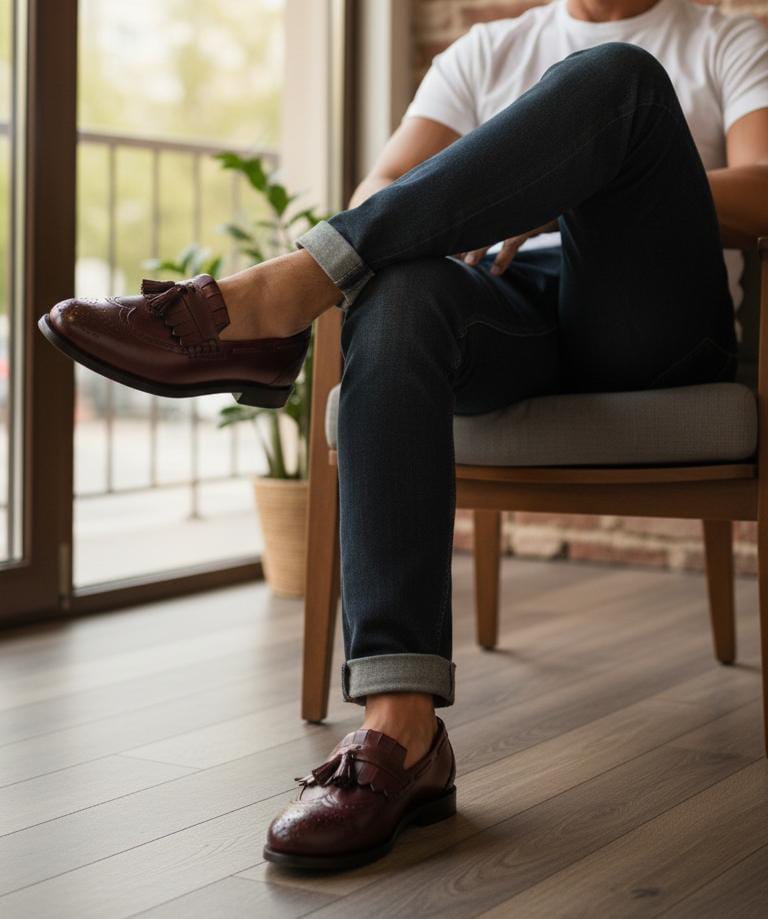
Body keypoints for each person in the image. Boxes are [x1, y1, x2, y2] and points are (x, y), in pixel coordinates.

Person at [39, 0, 768, 871]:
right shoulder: (486, 50)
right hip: (511, 319)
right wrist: (468, 206)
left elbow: (762, 188)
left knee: (619, 82)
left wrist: (557, 190)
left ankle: (271, 301)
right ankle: (403, 724)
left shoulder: (725, 36)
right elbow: (374, 196)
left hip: (646, 328)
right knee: (400, 291)